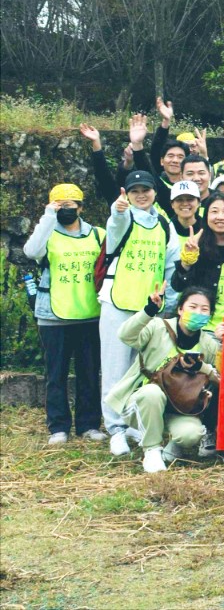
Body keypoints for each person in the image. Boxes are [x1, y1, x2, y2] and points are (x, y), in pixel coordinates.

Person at [97, 170, 177, 457]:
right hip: (118, 303)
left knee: (142, 368)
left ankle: (134, 423)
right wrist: (118, 211)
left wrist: (168, 304)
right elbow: (115, 226)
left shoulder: (164, 224)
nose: (141, 195)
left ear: (155, 192)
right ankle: (115, 429)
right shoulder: (123, 216)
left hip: (149, 308)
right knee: (115, 367)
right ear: (127, 194)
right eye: (135, 191)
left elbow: (171, 264)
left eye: (146, 190)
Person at [24, 183, 106, 446]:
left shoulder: (97, 235)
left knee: (89, 372)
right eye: (59, 205)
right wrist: (48, 216)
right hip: (53, 316)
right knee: (55, 374)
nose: (65, 210)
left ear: (80, 208)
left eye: (69, 205)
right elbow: (31, 252)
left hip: (90, 314)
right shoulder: (46, 234)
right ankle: (58, 427)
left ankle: (89, 424)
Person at [106, 287, 221, 473]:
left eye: (204, 309)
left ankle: (175, 445)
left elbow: (222, 379)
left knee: (191, 434)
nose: (198, 313)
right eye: (192, 307)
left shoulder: (208, 344)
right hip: (142, 400)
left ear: (210, 315)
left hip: (179, 407)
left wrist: (204, 367)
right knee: (152, 393)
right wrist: (148, 311)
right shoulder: (157, 327)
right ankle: (151, 450)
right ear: (180, 309)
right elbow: (125, 335)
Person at [170, 192, 224, 330]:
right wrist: (186, 262)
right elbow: (177, 286)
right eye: (214, 211)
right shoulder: (197, 247)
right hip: (203, 329)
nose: (220, 217)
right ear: (206, 216)